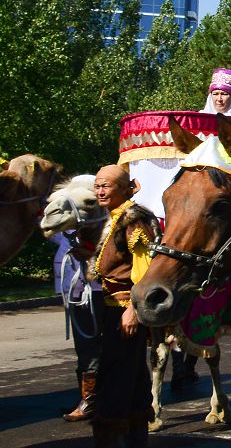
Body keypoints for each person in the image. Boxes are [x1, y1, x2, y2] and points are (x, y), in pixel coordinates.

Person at [91, 165, 158, 447]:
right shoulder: (116, 217)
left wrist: (133, 309)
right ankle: (133, 434)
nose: (100, 191)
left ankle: (115, 434)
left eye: (106, 185)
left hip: (125, 309)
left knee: (118, 373)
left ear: (124, 188)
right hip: (111, 307)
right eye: (97, 186)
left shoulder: (134, 218)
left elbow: (143, 269)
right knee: (131, 372)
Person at [50, 229, 104, 422]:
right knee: (84, 348)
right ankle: (88, 397)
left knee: (92, 347)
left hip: (96, 293)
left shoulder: (98, 225)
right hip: (76, 295)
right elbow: (47, 227)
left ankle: (93, 401)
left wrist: (90, 249)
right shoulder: (68, 229)